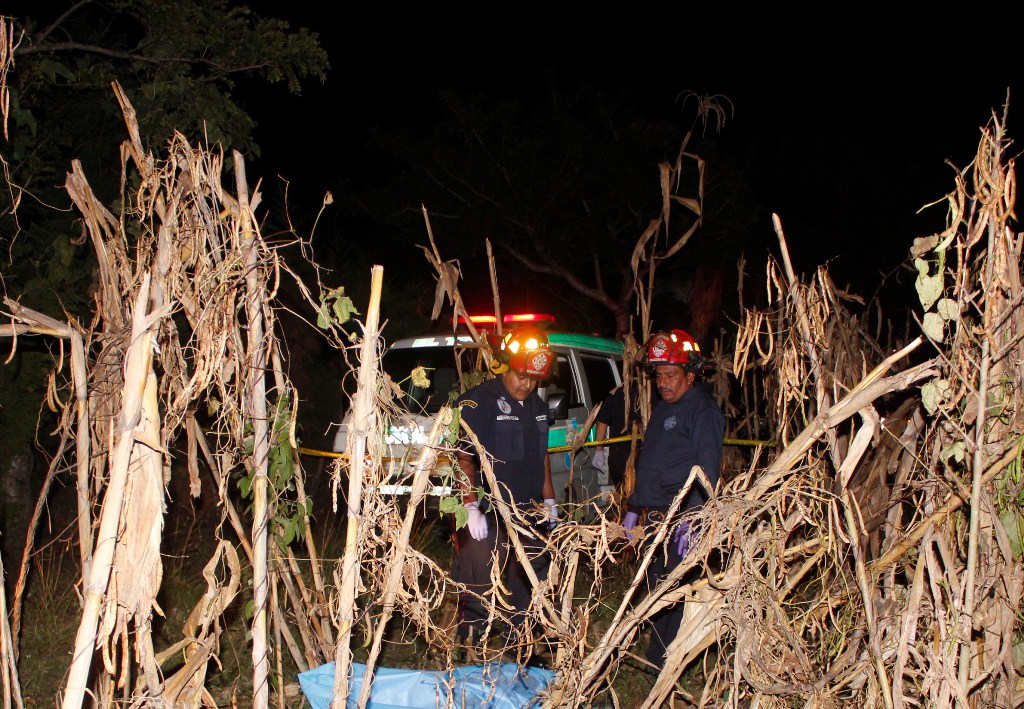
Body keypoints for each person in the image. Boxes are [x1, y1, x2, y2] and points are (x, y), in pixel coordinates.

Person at [451, 325, 558, 652]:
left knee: (529, 580)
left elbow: (542, 458)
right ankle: (472, 650)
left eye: (533, 378)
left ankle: (520, 649)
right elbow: (462, 458)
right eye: (520, 375)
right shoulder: (478, 402)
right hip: (488, 513)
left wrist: (550, 501)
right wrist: (471, 506)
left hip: (528, 510)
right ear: (506, 366)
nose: (526, 384)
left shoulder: (539, 408)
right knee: (479, 580)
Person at [623, 329, 724, 666]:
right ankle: (659, 654)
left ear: (690, 375)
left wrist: (696, 518)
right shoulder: (664, 409)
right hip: (655, 516)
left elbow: (707, 470)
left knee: (676, 588)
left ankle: (667, 661)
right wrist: (634, 509)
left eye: (670, 375)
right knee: (657, 587)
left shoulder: (701, 410)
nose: (662, 382)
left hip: (681, 518)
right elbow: (651, 462)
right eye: (658, 375)